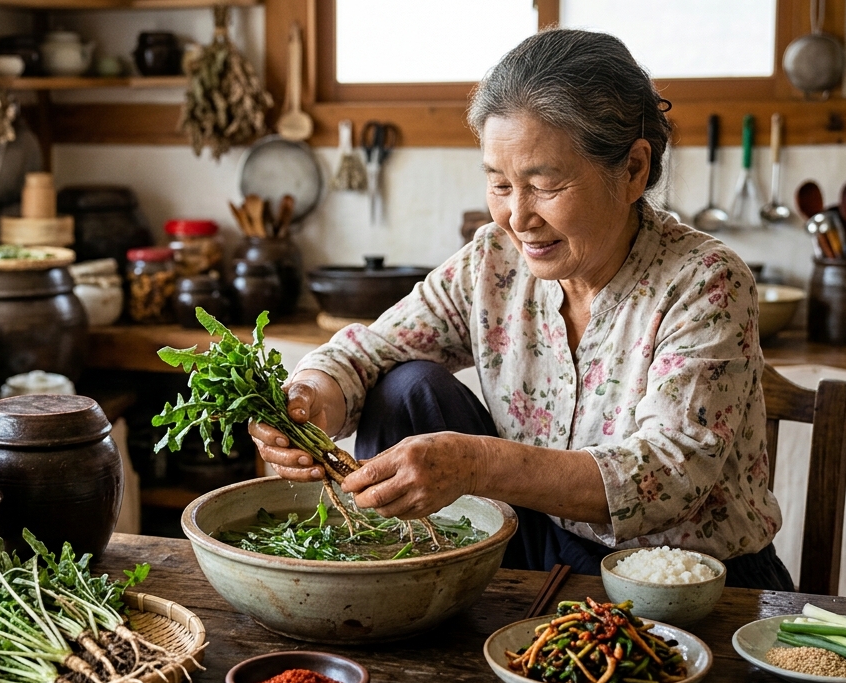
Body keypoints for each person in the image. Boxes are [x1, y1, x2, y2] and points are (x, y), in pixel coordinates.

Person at [249, 28, 794, 591]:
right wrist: (312, 398)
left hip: (689, 582)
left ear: (632, 169)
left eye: (543, 184)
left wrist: (475, 463)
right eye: (499, 184)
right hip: (541, 548)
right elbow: (372, 350)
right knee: (405, 385)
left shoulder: (706, 280)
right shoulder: (494, 258)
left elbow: (668, 474)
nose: (517, 217)